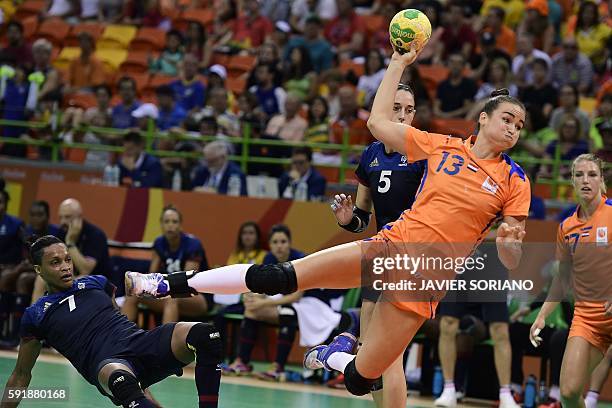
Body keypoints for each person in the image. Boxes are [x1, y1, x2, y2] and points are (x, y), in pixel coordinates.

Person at [125, 44, 530, 399]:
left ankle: (334, 354)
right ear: (483, 118)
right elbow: (377, 125)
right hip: (388, 248)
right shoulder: (442, 146)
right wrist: (397, 62)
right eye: (508, 118)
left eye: (519, 125)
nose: (513, 128)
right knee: (280, 276)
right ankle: (171, 283)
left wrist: (510, 246)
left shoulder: (515, 180)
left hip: (423, 282)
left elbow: (512, 256)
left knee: (360, 378)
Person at [1, 235, 222, 408]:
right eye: (55, 263)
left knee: (206, 335)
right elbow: (21, 374)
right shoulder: (36, 314)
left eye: (67, 259)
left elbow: (118, 322)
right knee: (121, 380)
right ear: (39, 270)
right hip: (107, 364)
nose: (66, 266)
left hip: (139, 342)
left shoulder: (97, 282)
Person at [330, 82, 425, 407]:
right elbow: (361, 218)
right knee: (372, 351)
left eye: (409, 110)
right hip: (382, 254)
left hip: (413, 258)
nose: (403, 115)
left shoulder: (423, 151)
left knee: (387, 349)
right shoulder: (371, 155)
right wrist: (347, 219)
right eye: (396, 108)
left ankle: (344, 337)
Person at [529, 154, 611, 408]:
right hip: (587, 318)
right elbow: (562, 279)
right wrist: (542, 314)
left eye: (592, 175)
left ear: (602, 180)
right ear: (572, 182)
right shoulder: (566, 227)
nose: (585, 180)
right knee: (568, 392)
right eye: (579, 175)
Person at [122, 206, 210, 324]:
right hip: (168, 291)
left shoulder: (193, 244)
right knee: (133, 292)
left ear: (180, 225)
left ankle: (165, 342)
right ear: (161, 225)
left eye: (174, 222)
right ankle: (121, 338)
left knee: (172, 299)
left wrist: (163, 288)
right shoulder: (159, 243)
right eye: (166, 221)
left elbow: (187, 282)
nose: (170, 225)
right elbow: (152, 275)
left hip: (198, 296)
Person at [31, 198, 110, 303]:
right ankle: (35, 315)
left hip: (94, 280)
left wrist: (70, 242)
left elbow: (85, 269)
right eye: (61, 217)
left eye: (68, 217)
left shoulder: (95, 235)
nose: (63, 221)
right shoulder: (62, 232)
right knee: (41, 279)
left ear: (80, 217)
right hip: (70, 275)